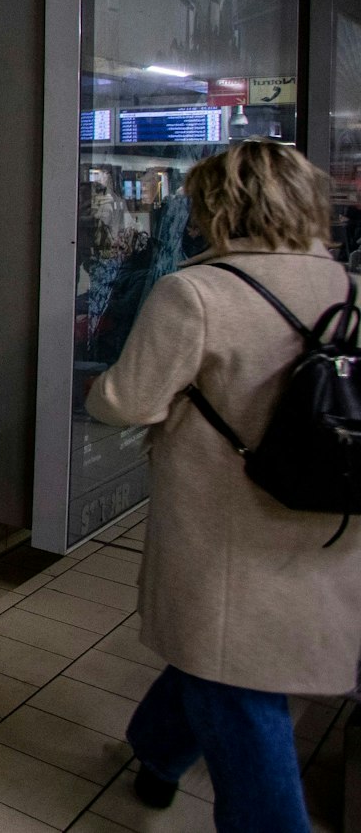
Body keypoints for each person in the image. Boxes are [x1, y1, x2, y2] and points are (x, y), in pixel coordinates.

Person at [84, 139, 361, 833]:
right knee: (234, 660)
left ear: (218, 207)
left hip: (227, 532)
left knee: (236, 687)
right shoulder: (351, 289)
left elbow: (128, 399)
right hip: (329, 521)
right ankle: (156, 750)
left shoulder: (198, 293)